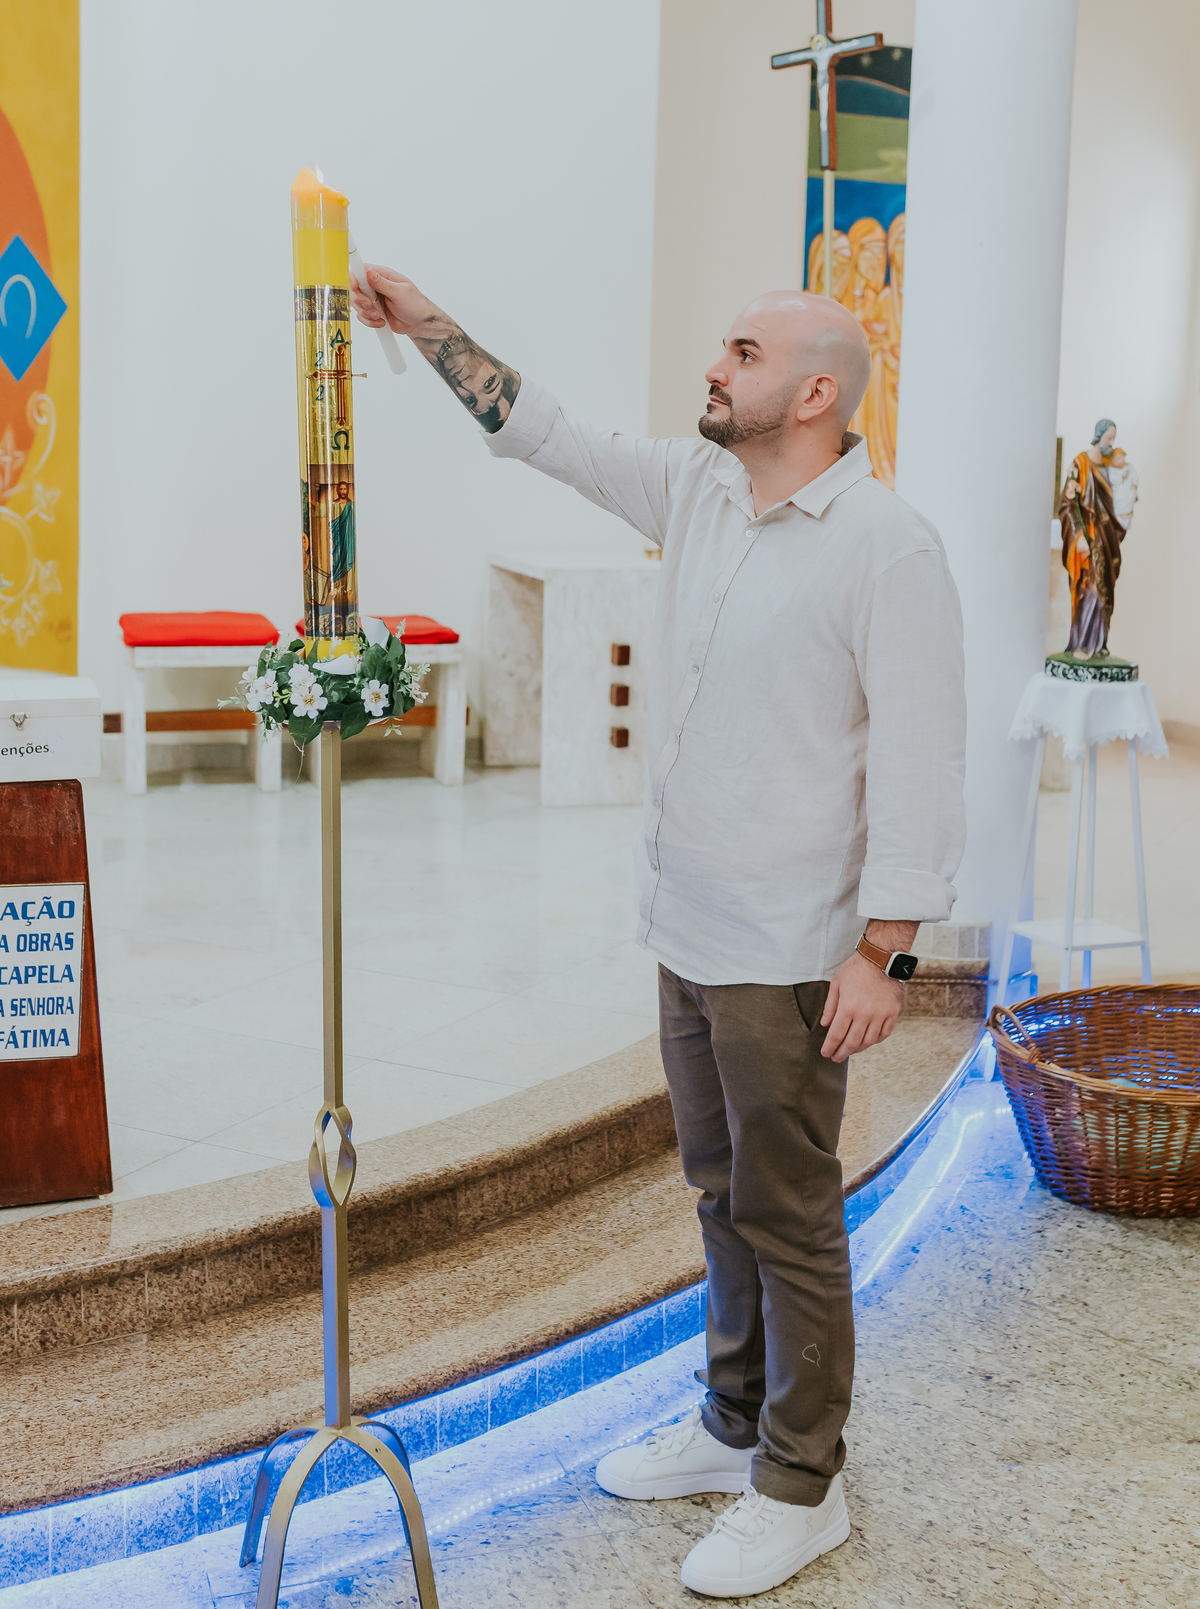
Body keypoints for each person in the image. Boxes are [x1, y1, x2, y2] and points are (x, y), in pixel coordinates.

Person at [350, 267, 967, 1598]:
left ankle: (803, 1483)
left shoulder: (887, 545)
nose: (714, 368)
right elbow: (554, 435)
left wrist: (886, 951)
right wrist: (433, 331)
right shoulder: (697, 491)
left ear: (813, 392)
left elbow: (923, 759)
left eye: (740, 352)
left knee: (790, 1210)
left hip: (796, 950)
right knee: (715, 1189)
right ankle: (729, 1420)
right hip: (689, 921)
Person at [1059, 418, 1136, 658]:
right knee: (1088, 587)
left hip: (1107, 538)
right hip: (1089, 538)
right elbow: (1067, 504)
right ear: (1099, 435)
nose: (1111, 443)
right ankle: (1083, 643)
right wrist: (1079, 536)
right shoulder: (1080, 464)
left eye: (1113, 439)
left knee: (1106, 591)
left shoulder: (1111, 466)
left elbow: (1122, 494)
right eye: (1109, 438)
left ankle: (1100, 643)